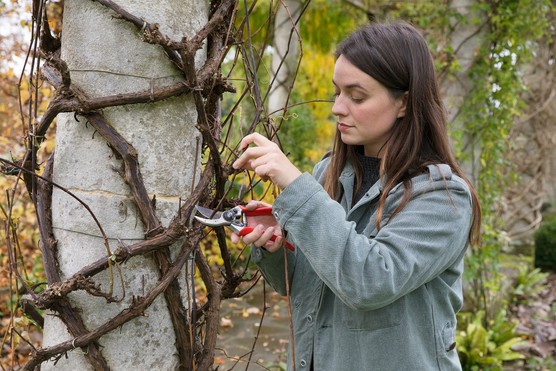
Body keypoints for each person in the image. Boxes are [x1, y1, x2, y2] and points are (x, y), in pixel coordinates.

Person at [231, 21, 481, 371]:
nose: (337, 108)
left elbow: (368, 282)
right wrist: (276, 248)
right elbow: (306, 287)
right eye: (337, 93)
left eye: (357, 96)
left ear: (404, 103)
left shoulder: (443, 197)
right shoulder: (329, 174)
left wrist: (296, 186)